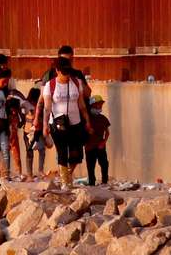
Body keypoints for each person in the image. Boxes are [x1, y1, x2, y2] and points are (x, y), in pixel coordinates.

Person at [36, 57, 92, 187]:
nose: (66, 75)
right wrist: (45, 125)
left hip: (75, 123)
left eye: (68, 71)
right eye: (63, 72)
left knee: (76, 153)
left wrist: (87, 121)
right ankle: (65, 182)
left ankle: (67, 176)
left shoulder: (76, 83)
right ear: (57, 71)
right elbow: (47, 107)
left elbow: (82, 105)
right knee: (62, 151)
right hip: (58, 124)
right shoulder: (50, 85)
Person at [85, 96, 111, 186]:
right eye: (97, 105)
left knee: (104, 164)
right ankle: (91, 183)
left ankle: (104, 181)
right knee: (90, 166)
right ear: (92, 106)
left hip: (100, 146)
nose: (99, 107)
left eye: (100, 105)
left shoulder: (103, 118)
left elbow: (107, 132)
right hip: (89, 146)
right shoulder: (87, 119)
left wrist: (104, 142)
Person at [23, 88, 47, 178]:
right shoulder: (26, 105)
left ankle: (40, 170)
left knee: (42, 150)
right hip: (28, 132)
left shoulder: (41, 106)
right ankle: (30, 174)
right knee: (29, 152)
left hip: (38, 131)